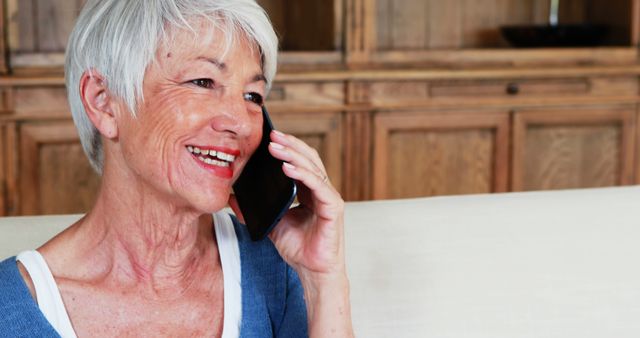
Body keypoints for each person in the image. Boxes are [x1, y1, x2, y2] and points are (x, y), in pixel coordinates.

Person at [0, 0, 354, 337]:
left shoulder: (275, 270)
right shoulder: (9, 309)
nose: (242, 124)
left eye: (253, 96)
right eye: (203, 82)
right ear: (103, 101)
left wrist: (324, 279)